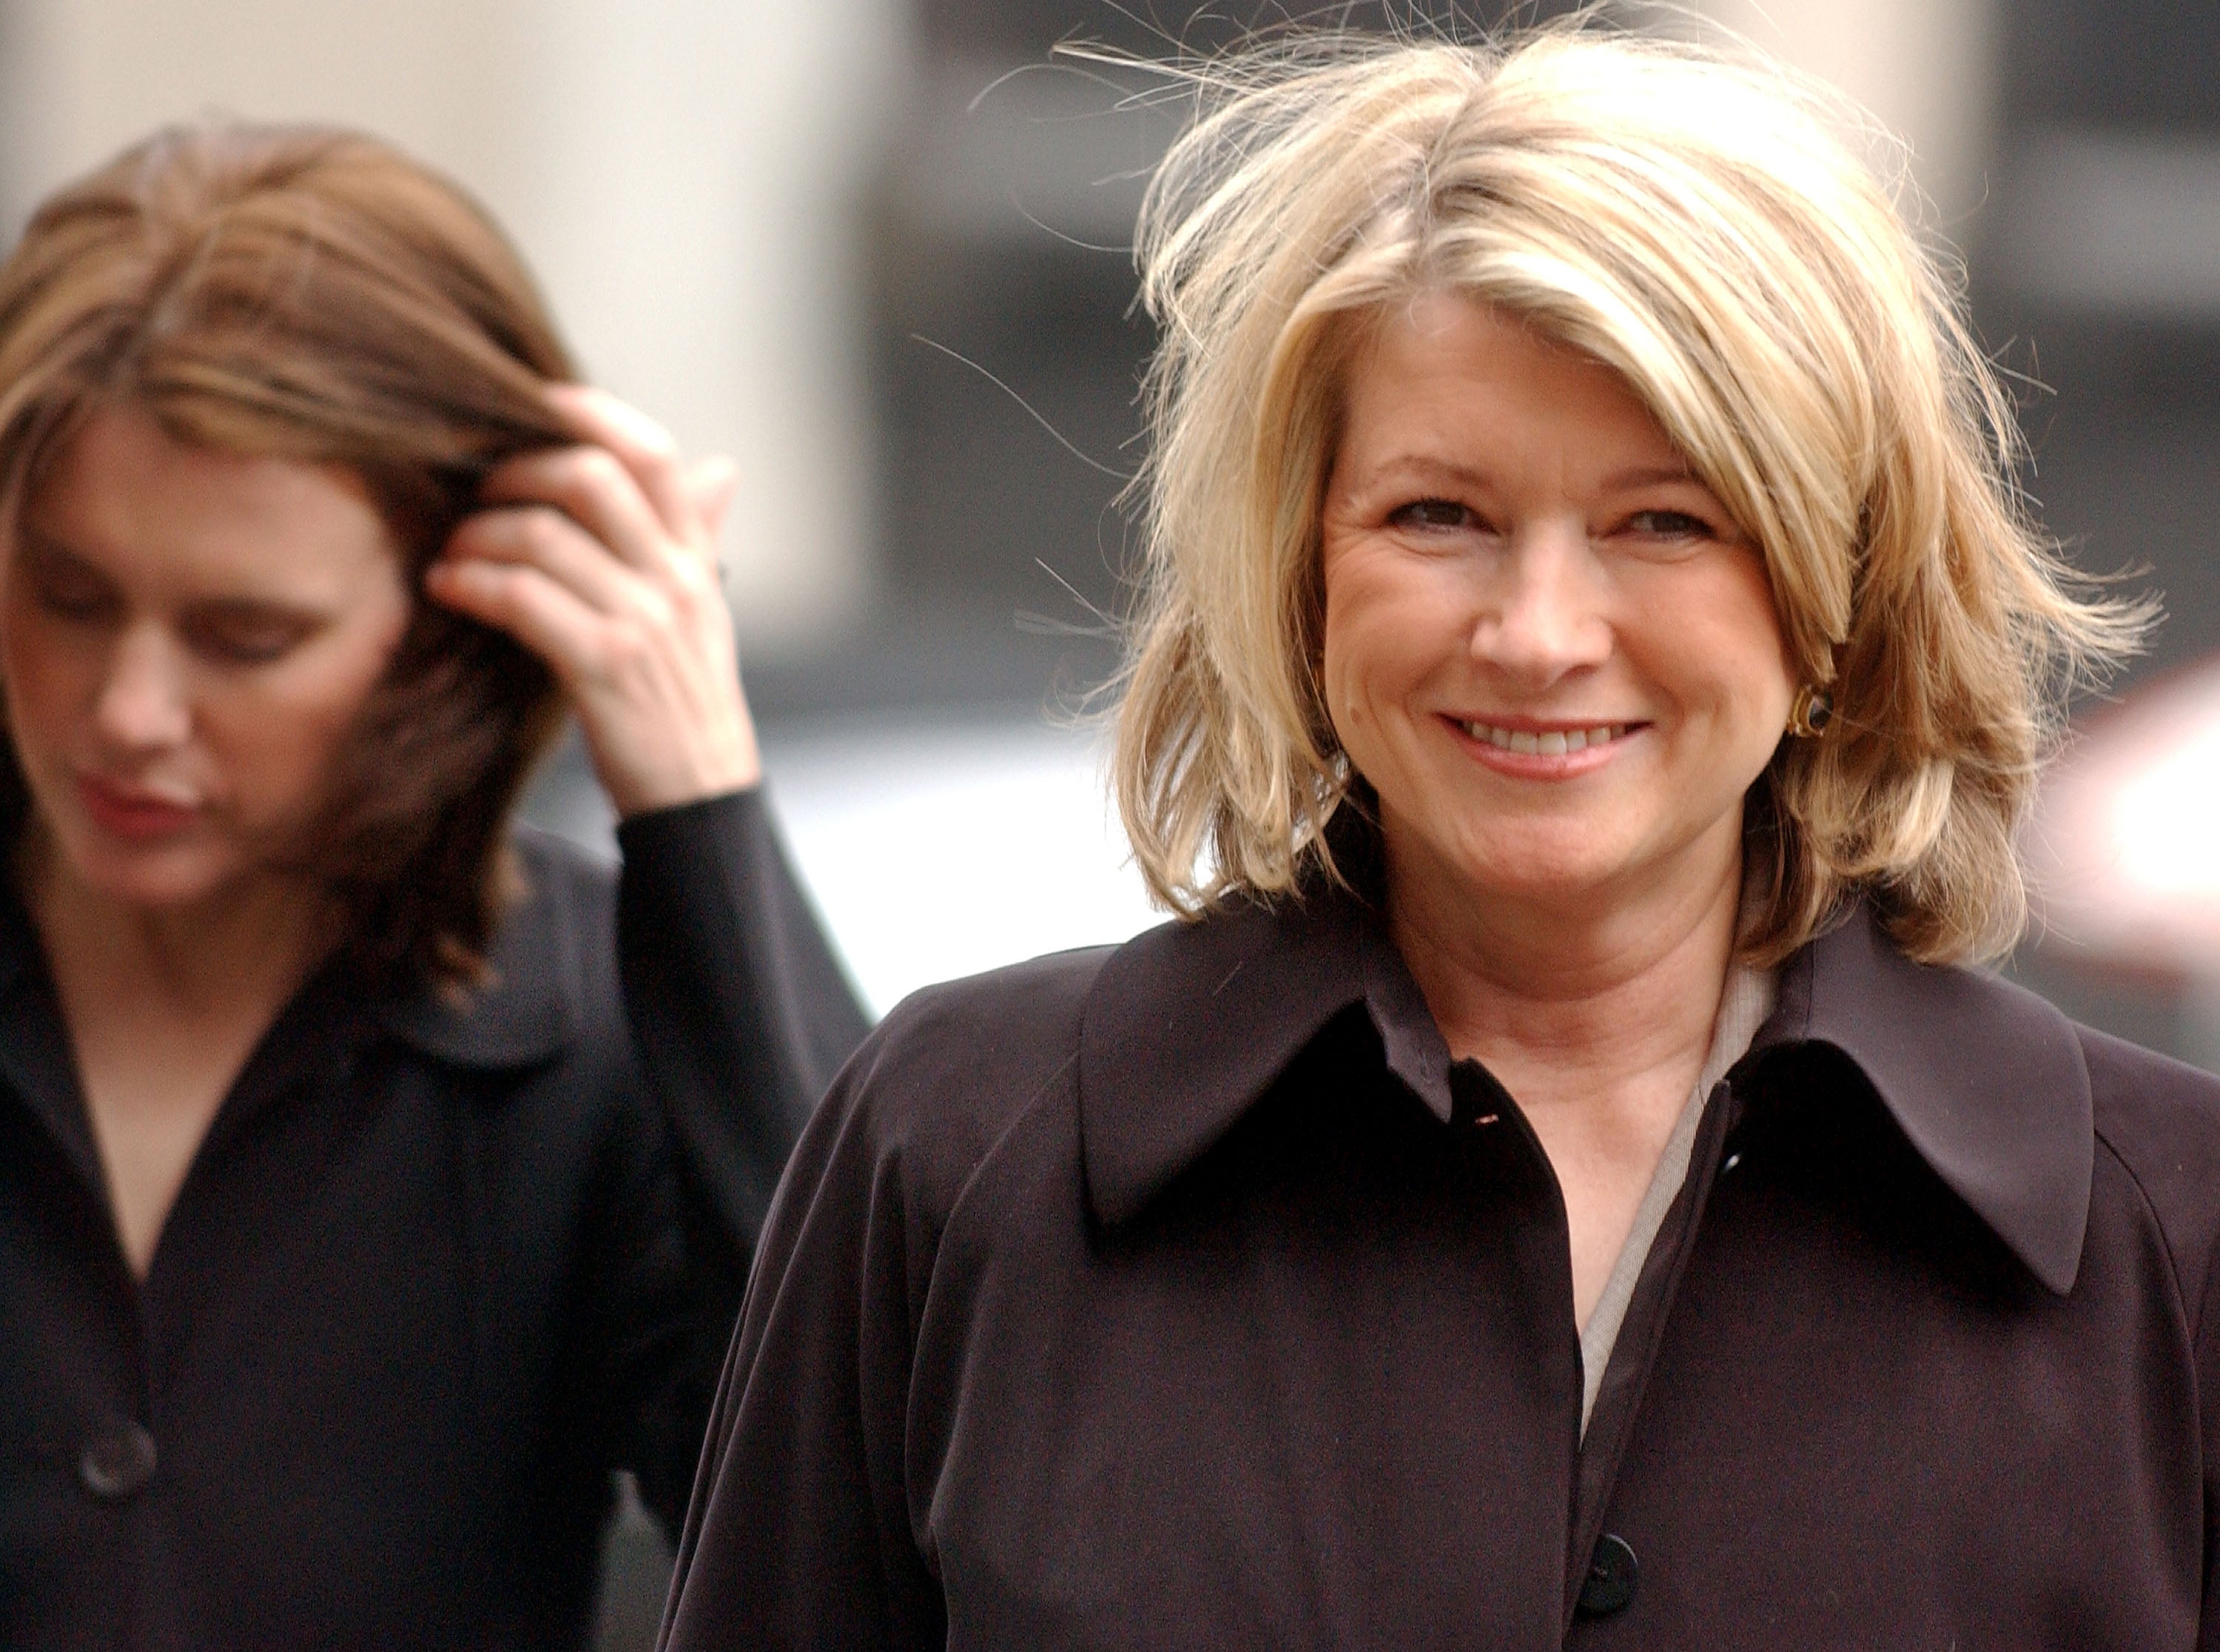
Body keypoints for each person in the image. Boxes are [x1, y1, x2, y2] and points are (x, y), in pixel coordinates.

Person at [657, 24, 2220, 1651]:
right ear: (1302, 567)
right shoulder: (960, 1151)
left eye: (1664, 522)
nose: (1540, 631)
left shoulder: (2170, 1246)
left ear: (1841, 584)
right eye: (1438, 515)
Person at [0, 125, 867, 1649]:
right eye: (69, 597)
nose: (129, 710)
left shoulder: (589, 1023)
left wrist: (701, 806)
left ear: (450, 621)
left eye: (244, 635)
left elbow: (866, 1519)